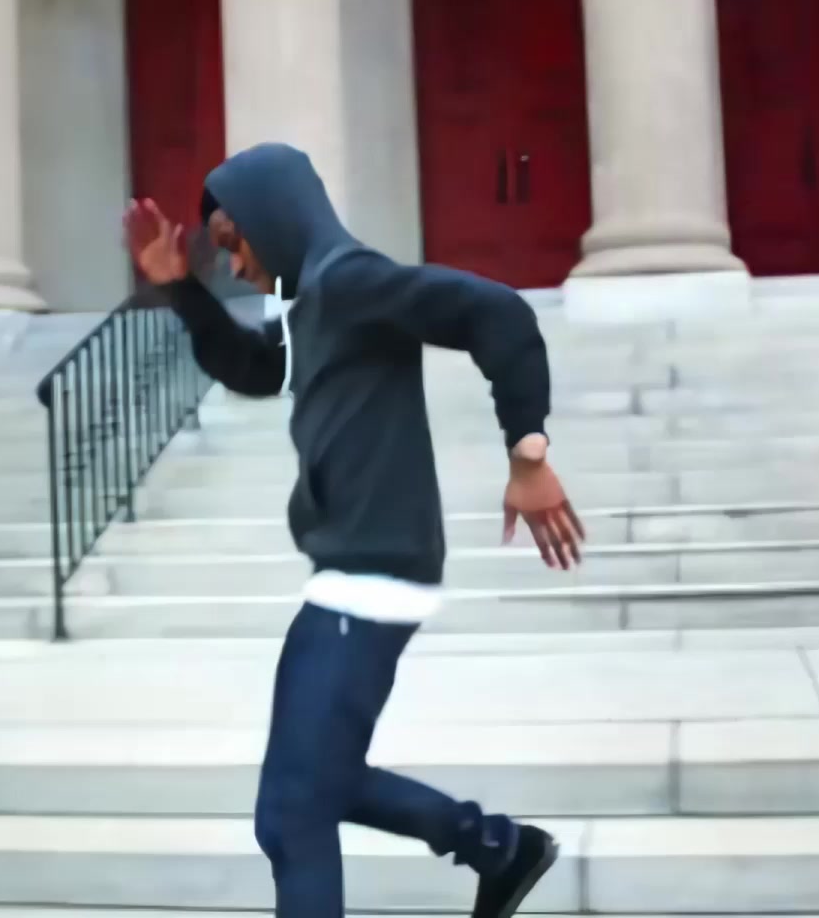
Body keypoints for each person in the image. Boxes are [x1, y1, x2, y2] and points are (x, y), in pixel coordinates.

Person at [122, 142, 585, 918]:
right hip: (354, 574)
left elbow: (496, 312)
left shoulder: (352, 281)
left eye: (235, 242)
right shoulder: (313, 303)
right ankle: (499, 849)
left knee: (293, 814)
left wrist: (528, 451)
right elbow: (256, 369)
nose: (234, 265)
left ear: (274, 218)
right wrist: (181, 290)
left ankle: (498, 847)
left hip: (372, 578)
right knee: (306, 792)